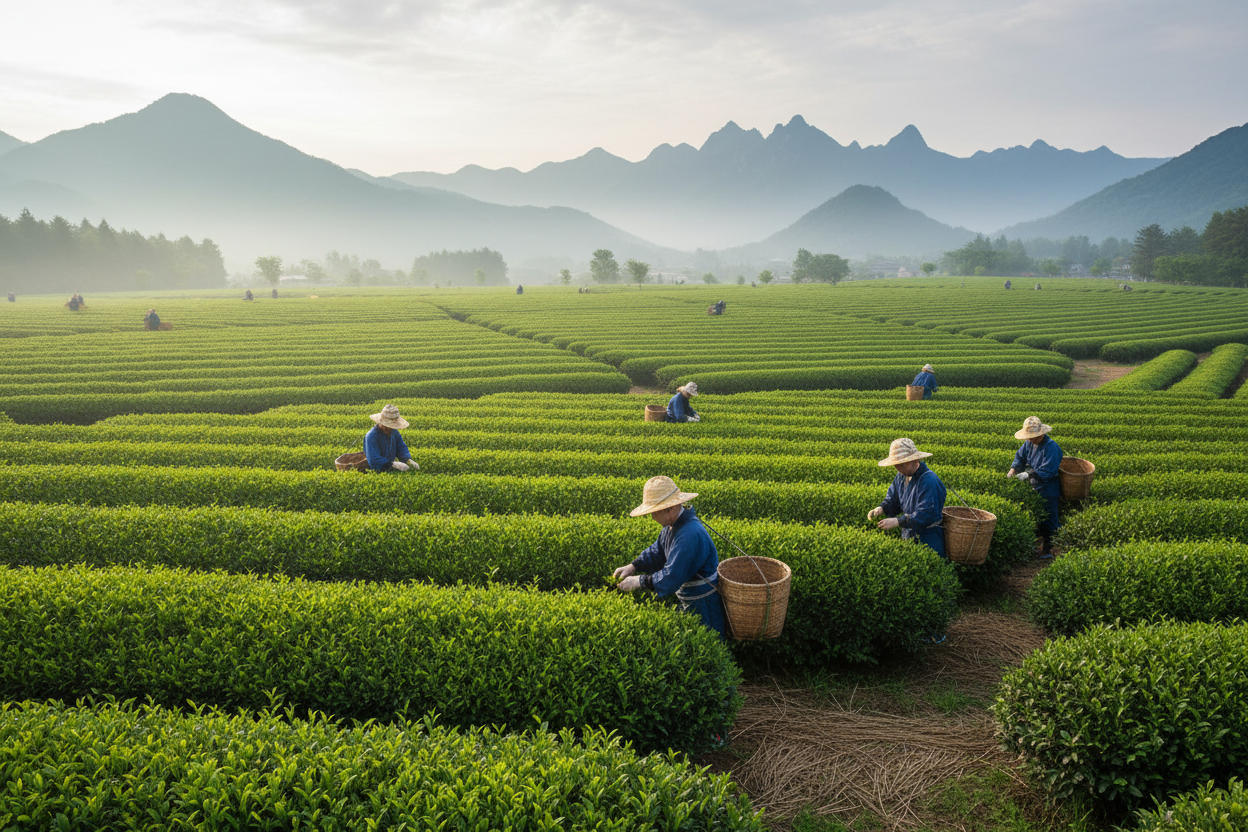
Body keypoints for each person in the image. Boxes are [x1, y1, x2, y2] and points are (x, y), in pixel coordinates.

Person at [613, 476, 727, 638]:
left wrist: (639, 581)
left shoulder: (690, 534)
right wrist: (634, 566)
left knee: (708, 645)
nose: (652, 517)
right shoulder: (673, 526)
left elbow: (672, 575)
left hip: (704, 605)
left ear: (669, 509)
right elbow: (658, 550)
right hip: (691, 600)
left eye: (654, 512)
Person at [868, 438, 947, 560]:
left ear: (915, 459)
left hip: (928, 540)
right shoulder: (901, 477)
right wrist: (881, 508)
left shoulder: (929, 480)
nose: (898, 468)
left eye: (902, 464)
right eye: (896, 465)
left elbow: (926, 514)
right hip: (908, 537)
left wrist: (897, 521)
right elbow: (893, 499)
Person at [1007, 416, 1063, 557]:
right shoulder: (1028, 444)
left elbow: (1048, 470)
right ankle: (1038, 546)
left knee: (1049, 519)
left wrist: (1027, 475)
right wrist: (1013, 470)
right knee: (1036, 518)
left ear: (1041, 434)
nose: (1030, 439)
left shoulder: (1052, 447)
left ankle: (1051, 549)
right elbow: (1020, 457)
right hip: (1034, 487)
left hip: (1048, 488)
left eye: (1033, 436)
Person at [364, 404, 417, 472]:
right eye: (387, 426)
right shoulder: (371, 436)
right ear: (381, 422)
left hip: (389, 469)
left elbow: (401, 447)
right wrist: (392, 464)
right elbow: (374, 460)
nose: (389, 428)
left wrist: (408, 460)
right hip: (375, 471)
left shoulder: (394, 432)